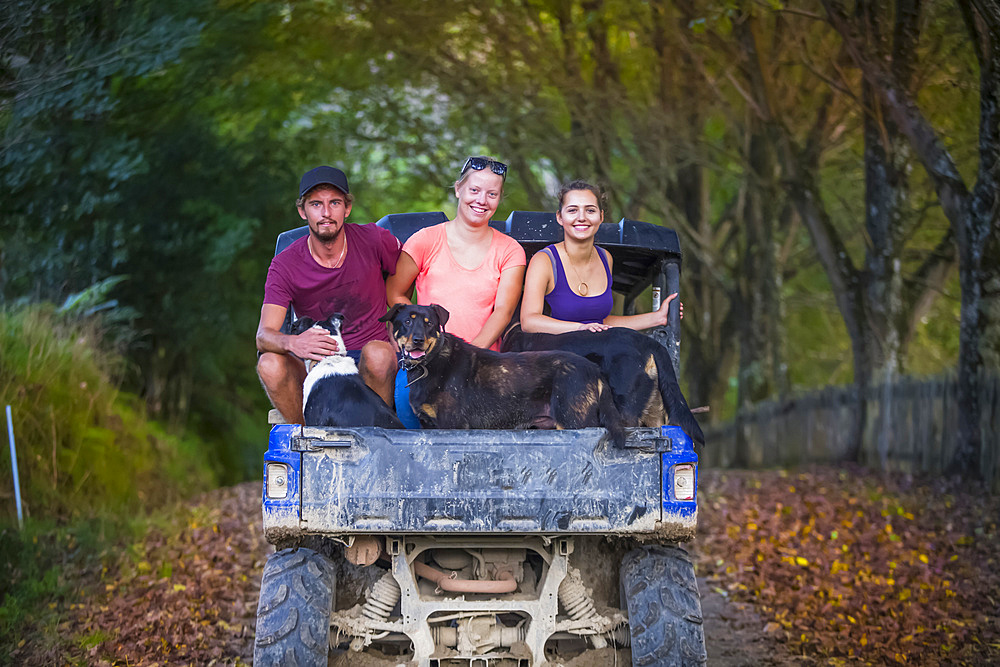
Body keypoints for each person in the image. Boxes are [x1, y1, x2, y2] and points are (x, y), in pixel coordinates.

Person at [386, 156, 526, 425]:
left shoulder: (510, 250)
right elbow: (394, 293)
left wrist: (467, 355)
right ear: (458, 189)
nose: (481, 200)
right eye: (474, 190)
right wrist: (420, 340)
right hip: (422, 358)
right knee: (411, 428)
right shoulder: (425, 239)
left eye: (492, 194)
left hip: (482, 363)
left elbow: (503, 312)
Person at [256, 165, 401, 424]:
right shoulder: (285, 264)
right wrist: (294, 343)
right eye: (315, 204)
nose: (326, 213)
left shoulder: (375, 240)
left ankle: (378, 438)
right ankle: (307, 437)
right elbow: (264, 335)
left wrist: (396, 321)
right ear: (303, 211)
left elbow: (405, 280)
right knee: (269, 364)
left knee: (379, 354)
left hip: (369, 359)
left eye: (334, 203)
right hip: (315, 365)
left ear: (347, 208)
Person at [520, 179, 681, 334]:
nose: (581, 217)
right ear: (560, 217)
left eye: (590, 210)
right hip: (557, 355)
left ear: (601, 217)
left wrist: (657, 318)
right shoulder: (545, 261)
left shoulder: (606, 258)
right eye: (572, 210)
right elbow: (529, 322)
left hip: (598, 351)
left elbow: (600, 323)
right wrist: (579, 329)